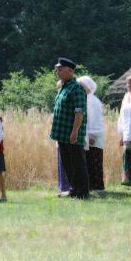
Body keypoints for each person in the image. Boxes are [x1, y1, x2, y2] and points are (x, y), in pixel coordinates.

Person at [50, 57, 90, 199]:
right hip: (62, 134)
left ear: (70, 71)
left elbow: (79, 112)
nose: (57, 71)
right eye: (57, 69)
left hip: (72, 134)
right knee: (68, 163)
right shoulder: (64, 87)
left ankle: (83, 192)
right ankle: (74, 189)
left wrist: (75, 131)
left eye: (60, 69)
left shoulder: (77, 88)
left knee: (77, 163)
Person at [78, 76, 106, 192]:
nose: (81, 88)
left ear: (89, 87)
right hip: (85, 137)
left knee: (94, 162)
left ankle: (97, 186)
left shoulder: (93, 101)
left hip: (93, 137)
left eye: (83, 86)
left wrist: (92, 136)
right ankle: (88, 186)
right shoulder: (83, 100)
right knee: (86, 162)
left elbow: (95, 121)